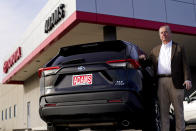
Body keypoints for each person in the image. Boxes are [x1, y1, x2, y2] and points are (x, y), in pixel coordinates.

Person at [148, 25, 192, 131]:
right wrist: (142, 58)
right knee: (163, 113)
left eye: (166, 32)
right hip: (161, 82)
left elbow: (185, 65)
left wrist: (187, 79)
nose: (164, 34)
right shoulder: (154, 50)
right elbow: (149, 64)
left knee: (178, 112)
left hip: (176, 82)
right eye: (161, 33)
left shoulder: (179, 48)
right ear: (159, 35)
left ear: (170, 33)